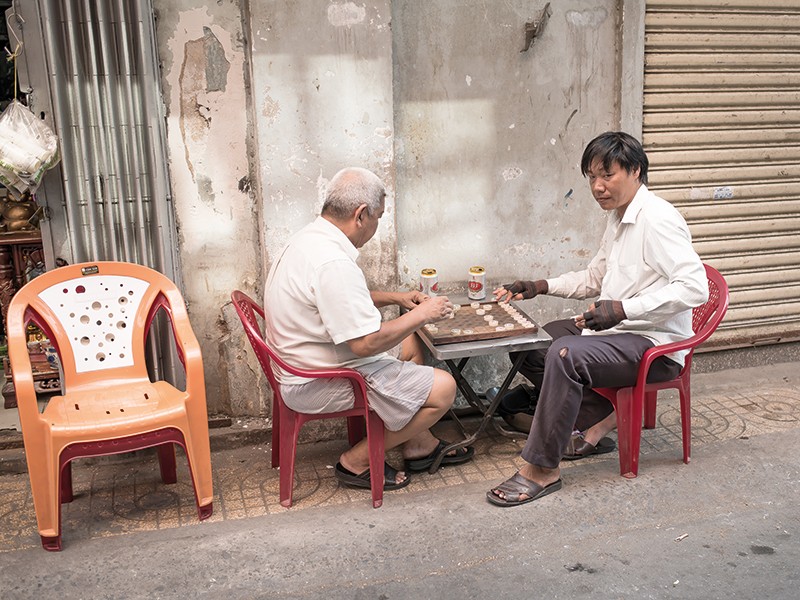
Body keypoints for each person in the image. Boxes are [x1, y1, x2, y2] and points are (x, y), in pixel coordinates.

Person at [486, 131, 708, 507]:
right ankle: (594, 417)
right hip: (619, 332)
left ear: (635, 170)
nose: (598, 186)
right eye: (591, 177)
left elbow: (694, 288)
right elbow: (595, 278)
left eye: (607, 175)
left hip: (654, 345)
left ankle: (542, 468)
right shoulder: (619, 217)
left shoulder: (658, 220)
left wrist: (623, 309)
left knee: (564, 355)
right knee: (535, 342)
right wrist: (538, 285)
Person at [264, 166, 474, 492]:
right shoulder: (332, 262)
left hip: (305, 361)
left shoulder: (309, 239)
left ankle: (418, 443)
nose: (377, 224)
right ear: (361, 215)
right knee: (443, 388)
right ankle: (357, 460)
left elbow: (337, 302)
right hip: (319, 379)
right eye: (378, 216)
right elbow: (364, 344)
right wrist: (424, 314)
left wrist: (396, 298)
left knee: (412, 345)